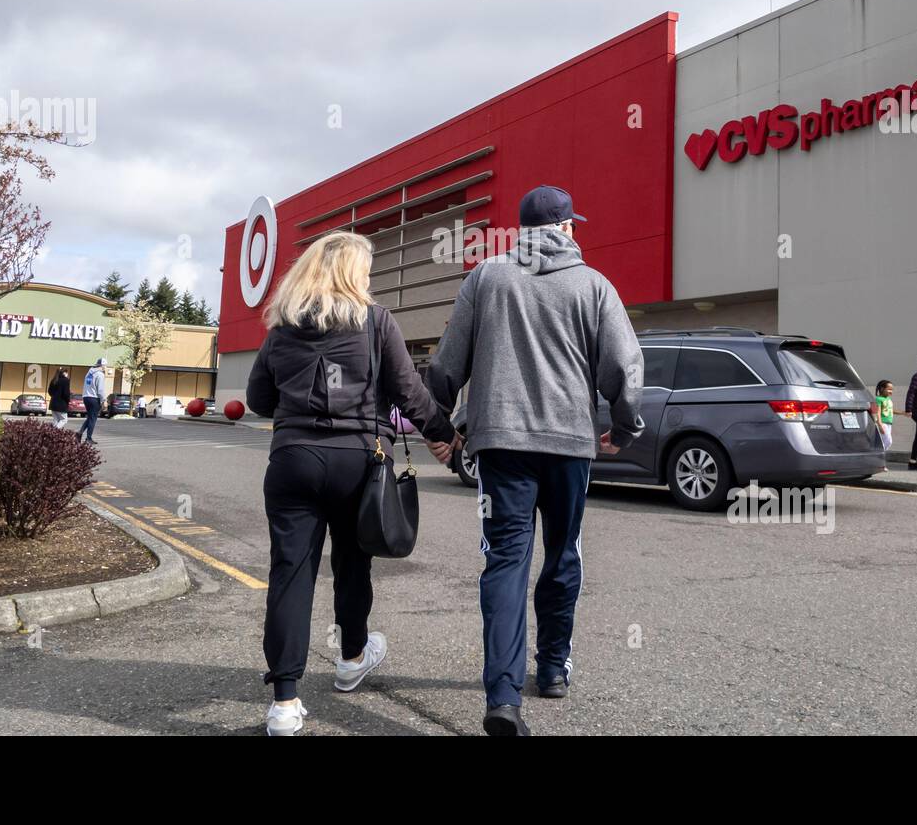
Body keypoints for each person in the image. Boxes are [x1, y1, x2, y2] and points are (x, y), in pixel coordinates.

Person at [427, 185, 644, 737]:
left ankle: (502, 695)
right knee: (563, 553)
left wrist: (440, 424)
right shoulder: (594, 285)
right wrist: (623, 426)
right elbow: (623, 364)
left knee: (504, 560)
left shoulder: (487, 277)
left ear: (521, 230)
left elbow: (450, 361)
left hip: (501, 445)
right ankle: (551, 669)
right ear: (567, 228)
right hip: (569, 443)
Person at [246, 231, 457, 737]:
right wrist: (446, 437)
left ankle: (284, 703)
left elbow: (258, 398)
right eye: (364, 270)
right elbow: (410, 393)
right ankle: (351, 656)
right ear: (349, 273)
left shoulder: (282, 328)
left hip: (293, 461)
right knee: (352, 562)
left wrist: (301, 412)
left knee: (290, 573)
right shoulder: (376, 321)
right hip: (356, 461)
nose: (368, 279)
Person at [78, 358, 108, 444]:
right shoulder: (100, 374)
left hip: (86, 397)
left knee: (90, 417)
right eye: (105, 366)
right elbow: (100, 390)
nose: (105, 368)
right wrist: (104, 400)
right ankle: (88, 438)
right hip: (94, 398)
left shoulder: (89, 373)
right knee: (93, 419)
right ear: (102, 366)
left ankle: (79, 433)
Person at [872, 379, 894, 451]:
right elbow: (878, 412)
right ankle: (878, 454)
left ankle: (878, 454)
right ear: (882, 389)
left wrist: (902, 413)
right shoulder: (878, 399)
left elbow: (890, 410)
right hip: (883, 423)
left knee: (884, 441)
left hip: (889, 423)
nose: (891, 391)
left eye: (892, 390)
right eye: (889, 389)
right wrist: (880, 424)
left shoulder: (888, 399)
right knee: (888, 441)